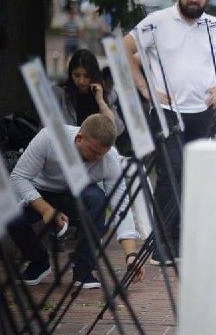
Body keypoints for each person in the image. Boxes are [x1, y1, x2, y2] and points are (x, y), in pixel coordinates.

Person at [123, 0, 216, 265]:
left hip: (204, 114)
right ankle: (161, 244)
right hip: (167, 112)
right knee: (172, 172)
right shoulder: (156, 23)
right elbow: (123, 49)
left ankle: (183, 240)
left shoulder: (215, 26)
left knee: (194, 177)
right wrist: (145, 87)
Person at [8, 115, 144, 289]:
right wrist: (46, 210)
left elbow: (120, 206)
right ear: (79, 138)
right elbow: (18, 178)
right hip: (41, 193)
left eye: (101, 154)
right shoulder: (49, 138)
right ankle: (39, 262)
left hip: (78, 196)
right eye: (94, 152)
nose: (97, 158)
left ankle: (83, 268)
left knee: (97, 199)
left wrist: (131, 255)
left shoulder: (110, 159)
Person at [53, 49, 124, 136]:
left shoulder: (106, 95)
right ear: (70, 74)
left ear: (93, 75)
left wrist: (101, 102)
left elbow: (117, 130)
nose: (81, 81)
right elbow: (47, 129)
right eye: (77, 75)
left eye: (86, 76)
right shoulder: (60, 95)